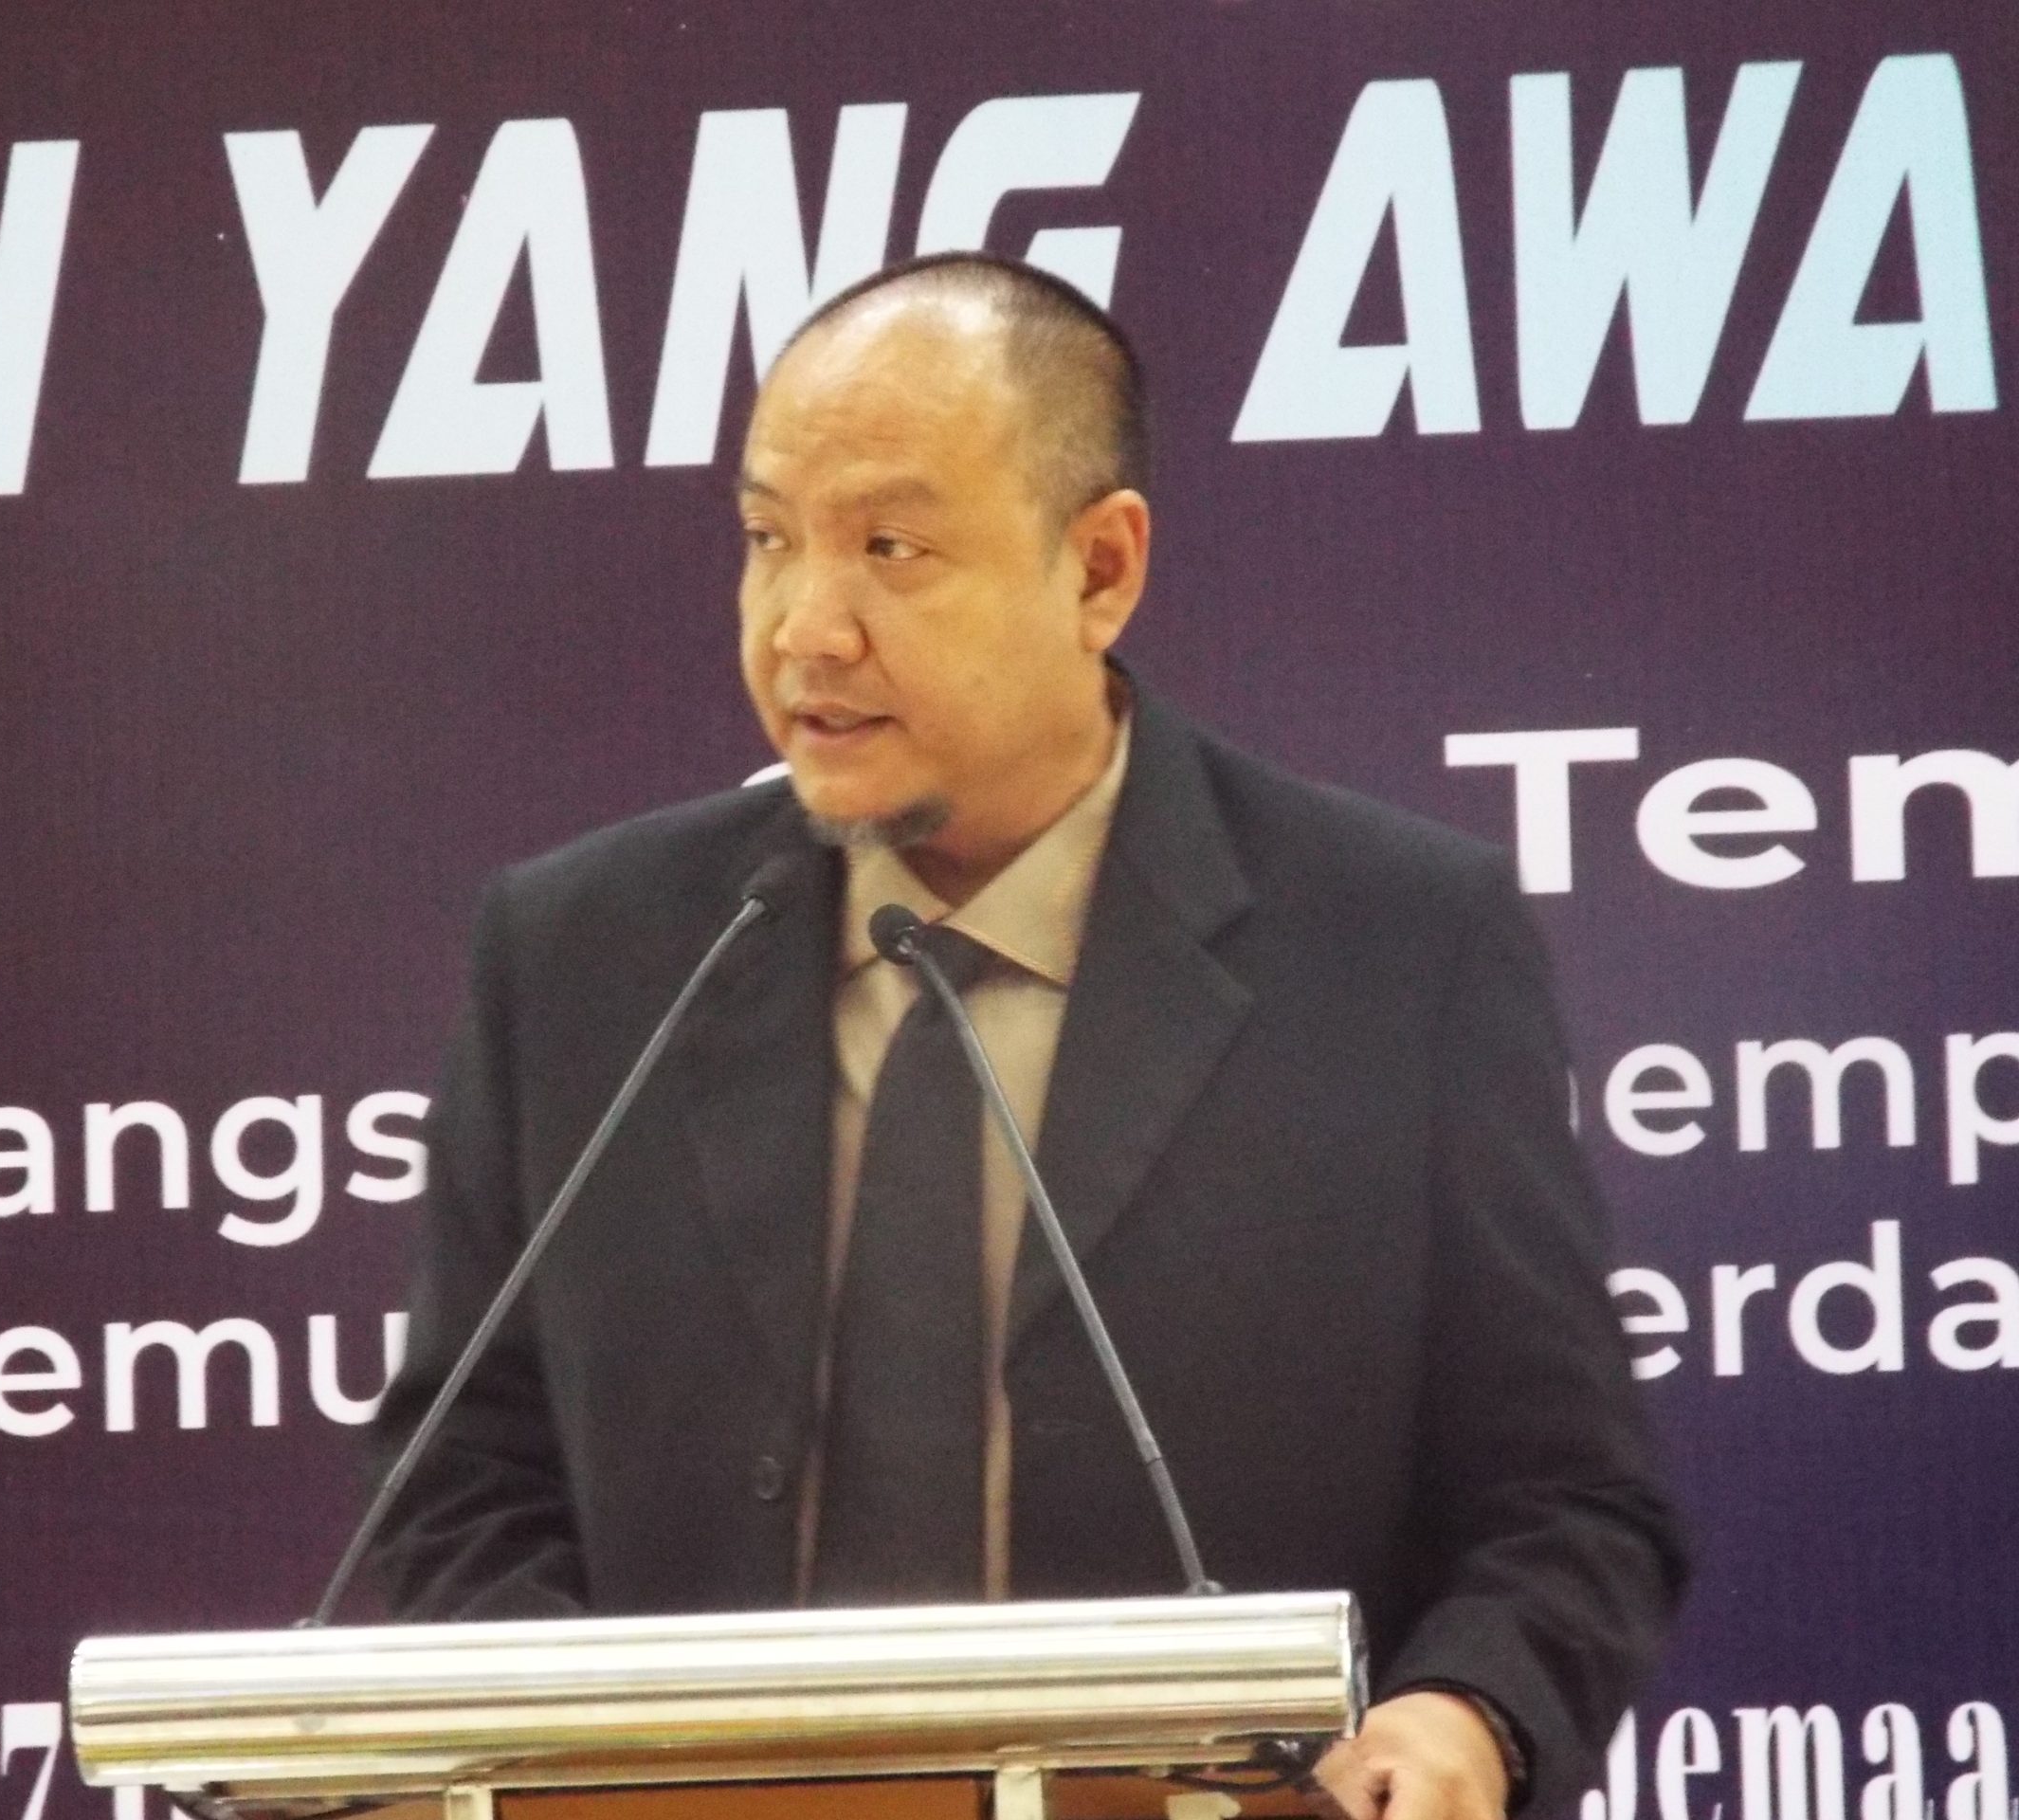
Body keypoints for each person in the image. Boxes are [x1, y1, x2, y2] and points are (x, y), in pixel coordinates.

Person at [367, 252, 1687, 1820]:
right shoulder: (582, 954)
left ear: (1100, 570)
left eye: (892, 547)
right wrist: (588, 1771)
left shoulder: (1395, 945)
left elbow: (1565, 1504)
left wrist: (1465, 1711)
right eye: (769, 539)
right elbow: (459, 1490)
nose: (806, 629)